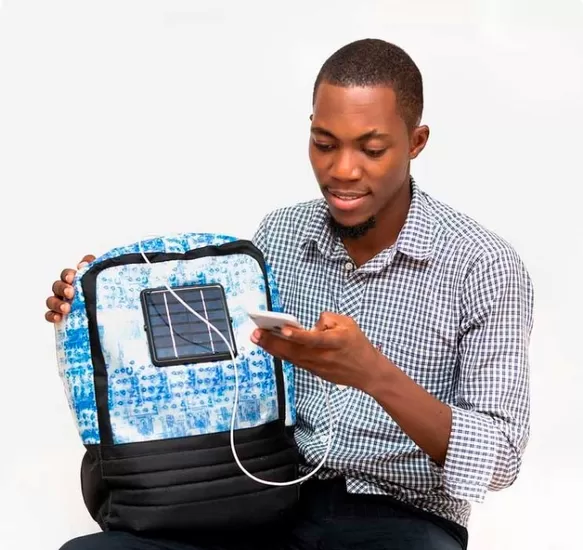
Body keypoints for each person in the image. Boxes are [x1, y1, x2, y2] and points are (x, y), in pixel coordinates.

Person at [44, 38, 534, 550]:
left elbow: (499, 458)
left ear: (416, 142)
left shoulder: (484, 265)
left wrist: (372, 374)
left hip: (403, 518)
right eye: (324, 144)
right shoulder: (278, 234)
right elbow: (212, 352)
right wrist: (95, 306)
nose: (343, 170)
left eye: (371, 149)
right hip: (268, 498)